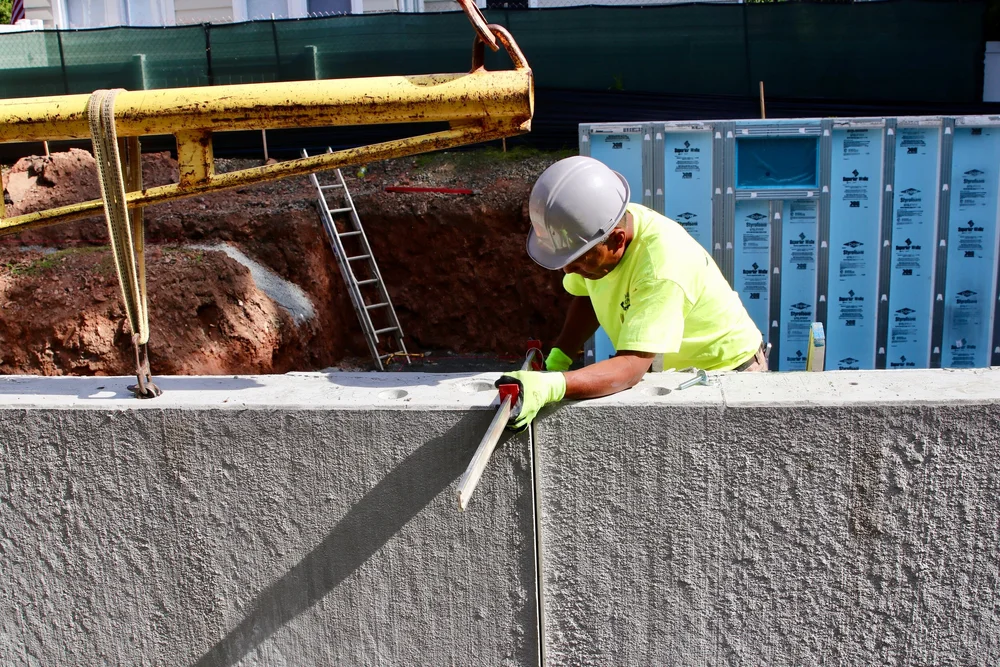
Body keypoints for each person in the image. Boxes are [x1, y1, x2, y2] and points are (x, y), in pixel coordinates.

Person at [496, 155, 766, 430]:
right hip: (678, 368)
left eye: (579, 260)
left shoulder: (661, 267)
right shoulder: (600, 228)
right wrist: (559, 358)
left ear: (617, 240)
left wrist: (552, 386)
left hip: (727, 372)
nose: (568, 270)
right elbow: (588, 298)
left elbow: (631, 366)